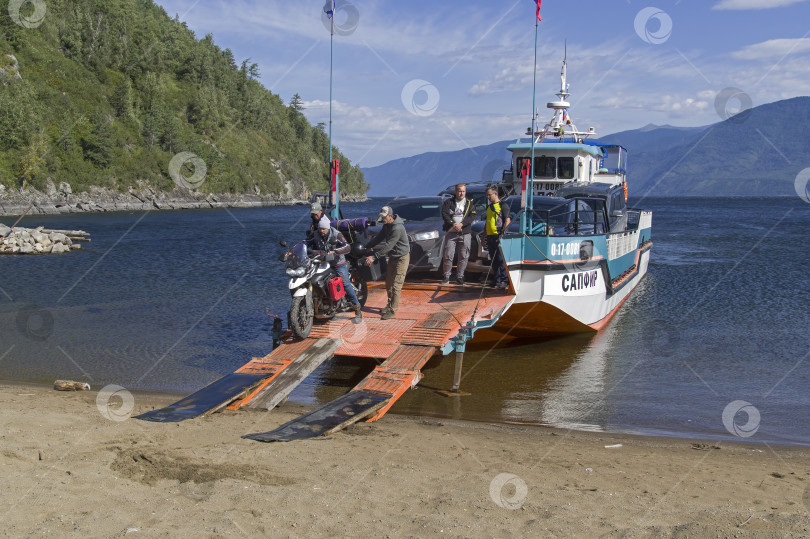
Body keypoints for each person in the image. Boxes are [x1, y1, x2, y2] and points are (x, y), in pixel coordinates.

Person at [307, 215, 362, 323]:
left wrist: (335, 251)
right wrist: (294, 249)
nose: (321, 230)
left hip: (338, 263)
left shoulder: (337, 234)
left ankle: (357, 308)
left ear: (328, 228)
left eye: (323, 229)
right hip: (323, 262)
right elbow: (306, 242)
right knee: (312, 279)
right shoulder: (316, 234)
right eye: (320, 228)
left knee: (345, 283)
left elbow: (347, 247)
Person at [364, 206, 410, 320]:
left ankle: (392, 310)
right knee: (388, 283)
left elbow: (389, 246)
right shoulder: (386, 226)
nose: (382, 219)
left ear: (390, 216)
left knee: (396, 285)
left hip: (402, 258)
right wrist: (368, 246)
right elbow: (379, 238)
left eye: (384, 217)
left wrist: (374, 257)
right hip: (393, 257)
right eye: (381, 217)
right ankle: (389, 304)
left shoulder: (397, 228)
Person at [440, 183, 476, 285]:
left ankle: (460, 276)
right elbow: (444, 213)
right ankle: (446, 276)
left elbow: (472, 216)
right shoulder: (449, 202)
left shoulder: (470, 203)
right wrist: (453, 224)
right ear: (456, 191)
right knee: (448, 254)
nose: (461, 193)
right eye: (460, 191)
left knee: (464, 255)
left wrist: (462, 224)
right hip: (451, 232)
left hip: (465, 232)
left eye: (463, 191)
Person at [485, 187, 511, 289]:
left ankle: (504, 280)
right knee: (493, 259)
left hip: (498, 235)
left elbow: (507, 220)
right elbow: (487, 222)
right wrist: (484, 236)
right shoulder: (489, 207)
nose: (488, 197)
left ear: (495, 194)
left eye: (489, 195)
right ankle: (497, 280)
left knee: (500, 259)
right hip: (490, 235)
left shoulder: (502, 205)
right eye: (487, 195)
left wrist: (502, 235)